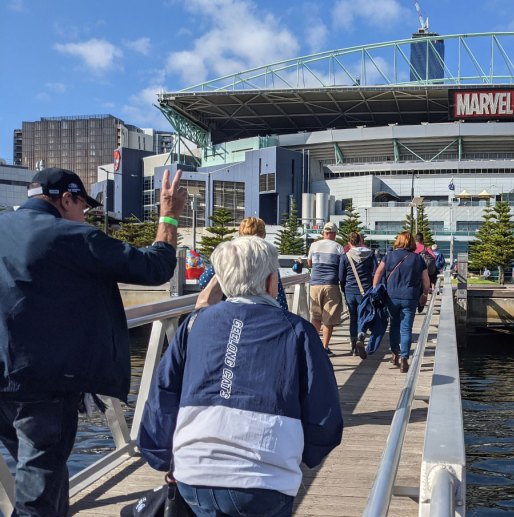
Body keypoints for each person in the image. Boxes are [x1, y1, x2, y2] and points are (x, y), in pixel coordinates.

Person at [0, 167, 186, 516]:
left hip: (5, 378)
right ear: (66, 198)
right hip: (43, 384)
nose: (85, 215)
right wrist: (168, 216)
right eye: (83, 205)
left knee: (43, 478)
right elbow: (154, 267)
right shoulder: (70, 236)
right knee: (38, 489)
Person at [139, 237, 342, 517]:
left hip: (194, 473)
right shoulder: (298, 332)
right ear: (273, 282)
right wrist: (304, 455)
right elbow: (325, 414)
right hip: (264, 479)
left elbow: (163, 393)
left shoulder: (194, 323)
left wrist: (163, 456)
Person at [196, 217, 289, 311]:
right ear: (264, 235)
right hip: (262, 311)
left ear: (239, 234)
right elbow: (278, 294)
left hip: (231, 310)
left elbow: (203, 281)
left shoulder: (231, 254)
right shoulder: (268, 258)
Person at [372, 231, 430, 373]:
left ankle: (395, 354)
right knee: (406, 328)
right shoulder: (418, 259)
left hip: (392, 296)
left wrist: (375, 289)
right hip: (410, 297)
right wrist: (424, 294)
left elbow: (378, 273)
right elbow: (426, 281)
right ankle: (405, 358)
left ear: (398, 241)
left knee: (394, 326)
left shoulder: (389, 256)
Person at [307, 222, 344, 355]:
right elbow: (341, 267)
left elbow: (309, 263)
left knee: (316, 316)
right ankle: (324, 347)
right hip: (331, 284)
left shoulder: (314, 245)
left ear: (324, 232)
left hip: (314, 284)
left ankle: (314, 345)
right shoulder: (338, 247)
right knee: (329, 317)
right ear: (334, 233)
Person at [339, 232, 377, 359]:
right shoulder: (370, 255)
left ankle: (354, 346)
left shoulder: (345, 257)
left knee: (353, 317)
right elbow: (375, 272)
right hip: (365, 290)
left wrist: (344, 288)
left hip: (350, 290)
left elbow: (341, 277)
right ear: (361, 241)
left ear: (349, 243)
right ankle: (361, 334)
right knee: (364, 315)